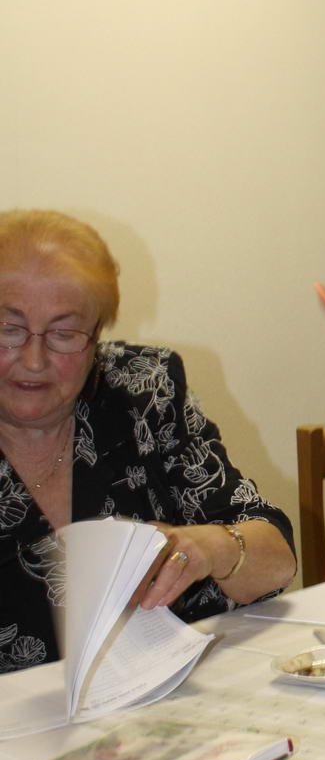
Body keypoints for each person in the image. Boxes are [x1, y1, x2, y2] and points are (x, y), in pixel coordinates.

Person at [0, 210, 296, 671]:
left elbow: (276, 558)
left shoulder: (144, 390)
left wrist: (210, 547)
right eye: (8, 329)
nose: (34, 360)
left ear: (96, 335)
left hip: (184, 694)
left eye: (64, 333)